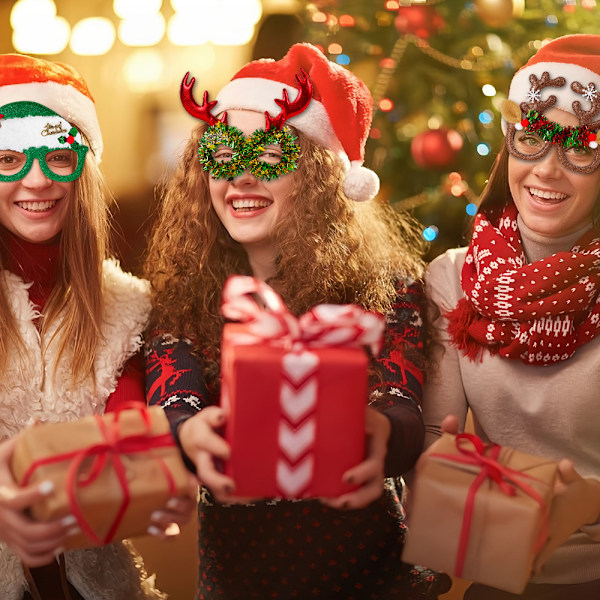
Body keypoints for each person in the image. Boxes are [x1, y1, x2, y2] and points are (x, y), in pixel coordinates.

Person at [144, 43, 451, 599]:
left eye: (268, 156)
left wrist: (379, 432)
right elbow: (173, 398)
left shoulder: (388, 288)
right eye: (222, 155)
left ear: (318, 179)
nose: (239, 179)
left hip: (372, 580)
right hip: (238, 582)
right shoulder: (184, 296)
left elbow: (401, 407)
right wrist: (189, 433)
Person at [0, 54, 194, 600]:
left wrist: (157, 476)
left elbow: (132, 436)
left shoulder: (126, 305)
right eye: (9, 158)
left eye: (58, 157)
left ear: (83, 167)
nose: (36, 179)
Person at [423, 34, 600, 600]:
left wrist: (587, 501)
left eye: (581, 149)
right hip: (503, 575)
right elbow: (432, 446)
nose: (548, 170)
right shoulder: (451, 278)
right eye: (533, 140)